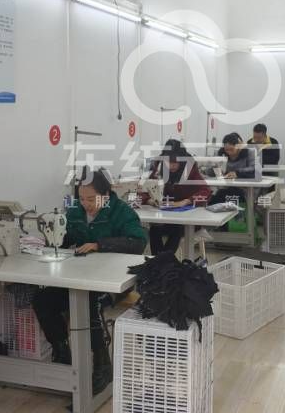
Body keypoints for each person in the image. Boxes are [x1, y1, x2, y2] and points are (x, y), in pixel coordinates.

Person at [32, 168, 146, 394]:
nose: (86, 204)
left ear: (106, 194)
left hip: (114, 281)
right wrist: (47, 240)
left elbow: (138, 242)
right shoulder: (75, 211)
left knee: (89, 302)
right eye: (82, 199)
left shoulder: (121, 212)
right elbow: (65, 237)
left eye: (91, 199)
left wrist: (99, 245)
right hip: (80, 277)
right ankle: (63, 354)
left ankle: (103, 364)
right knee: (42, 300)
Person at [147, 140, 211, 255]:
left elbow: (206, 190)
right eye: (168, 162)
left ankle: (162, 261)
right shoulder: (160, 167)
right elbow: (145, 188)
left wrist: (185, 201)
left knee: (176, 229)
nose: (171, 165)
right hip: (166, 216)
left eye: (175, 162)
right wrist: (151, 200)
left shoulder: (189, 168)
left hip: (187, 220)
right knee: (154, 229)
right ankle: (161, 261)